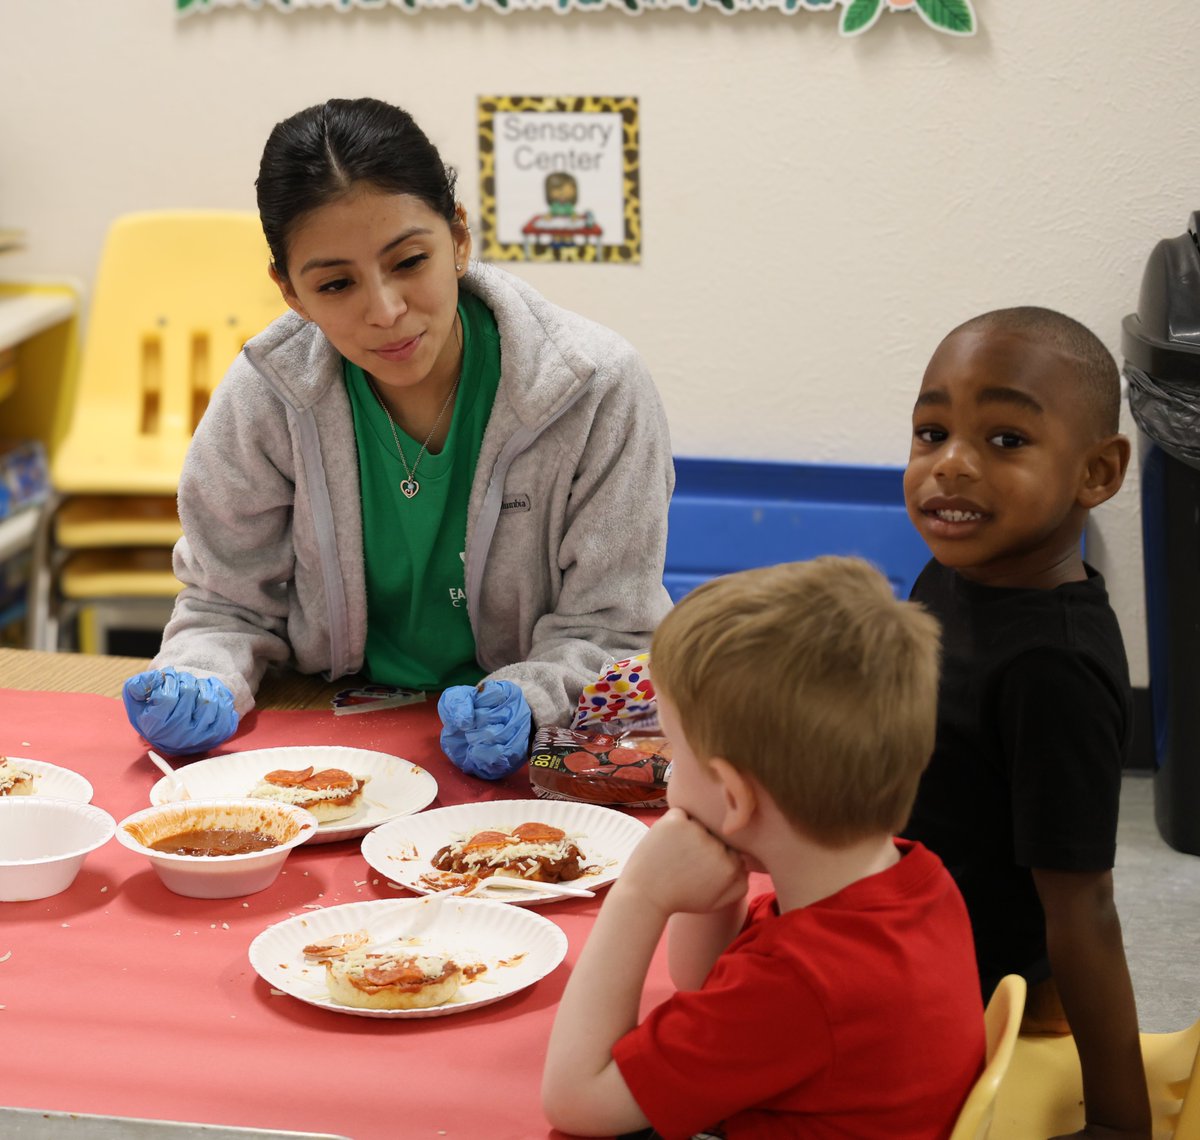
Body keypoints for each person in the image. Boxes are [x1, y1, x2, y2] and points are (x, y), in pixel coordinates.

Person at [120, 97, 673, 776]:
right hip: (327, 726)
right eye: (335, 283)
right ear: (290, 292)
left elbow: (612, 627)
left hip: (533, 756)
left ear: (460, 238)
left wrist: (530, 703)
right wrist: (201, 674)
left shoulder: (593, 388)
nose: (384, 311)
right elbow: (223, 603)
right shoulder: (268, 395)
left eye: (409, 261)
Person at [542, 557, 985, 1140]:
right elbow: (704, 983)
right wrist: (717, 874)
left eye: (672, 750)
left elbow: (575, 1102)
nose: (666, 770)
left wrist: (639, 897)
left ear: (733, 794)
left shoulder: (800, 983)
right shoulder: (915, 879)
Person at [901, 306, 1151, 1139]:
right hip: (907, 902)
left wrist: (1119, 1125)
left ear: (1098, 473)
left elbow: (1083, 910)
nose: (952, 467)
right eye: (931, 432)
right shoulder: (954, 576)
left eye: (1005, 441)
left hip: (950, 976)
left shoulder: (1055, 669)